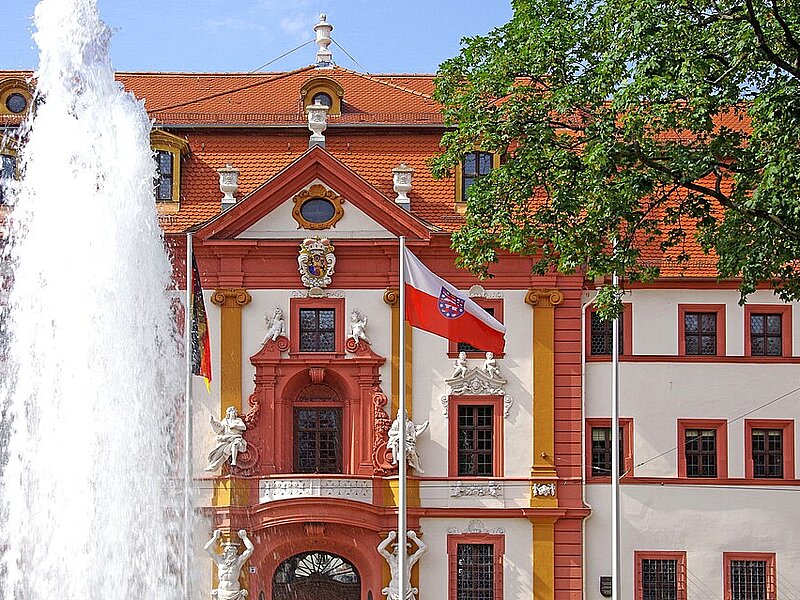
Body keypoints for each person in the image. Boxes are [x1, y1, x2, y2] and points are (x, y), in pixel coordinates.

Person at [205, 529, 255, 600]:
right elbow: (207, 548)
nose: (232, 553)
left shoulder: (238, 562)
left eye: (233, 552)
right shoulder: (220, 561)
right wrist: (215, 537)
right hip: (222, 592)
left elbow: (250, 549)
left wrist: (244, 537)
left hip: (235, 592)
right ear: (225, 553)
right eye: (229, 551)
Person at [377, 530, 427, 600]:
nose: (399, 553)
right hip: (394, 590)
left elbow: (423, 549)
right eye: (398, 551)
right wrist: (389, 538)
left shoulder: (409, 560)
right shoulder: (392, 560)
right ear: (395, 552)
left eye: (402, 551)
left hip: (406, 590)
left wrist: (414, 538)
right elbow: (380, 549)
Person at [205, 406, 247, 471]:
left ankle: (233, 460)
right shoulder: (225, 421)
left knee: (235, 445)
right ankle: (212, 465)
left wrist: (235, 426)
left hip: (236, 438)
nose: (233, 413)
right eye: (231, 412)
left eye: (234, 412)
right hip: (226, 439)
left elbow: (244, 427)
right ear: (228, 413)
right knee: (218, 451)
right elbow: (219, 429)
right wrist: (213, 423)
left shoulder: (238, 420)